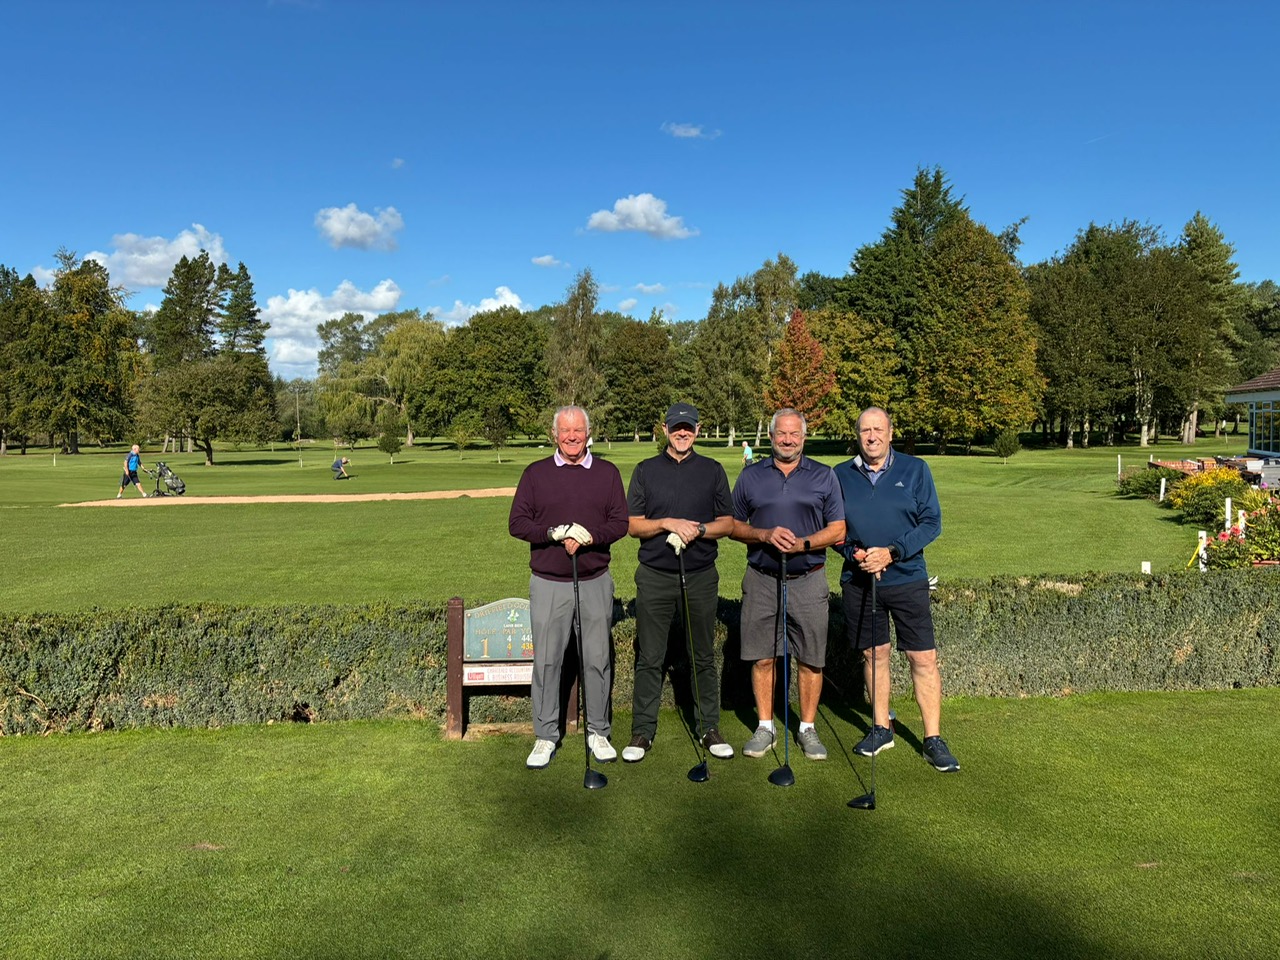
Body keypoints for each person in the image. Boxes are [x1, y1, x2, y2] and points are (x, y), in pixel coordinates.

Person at [834, 407, 959, 773]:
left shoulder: (915, 469)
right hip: (860, 580)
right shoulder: (840, 474)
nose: (871, 436)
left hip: (907, 578)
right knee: (874, 655)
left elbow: (931, 522)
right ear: (857, 435)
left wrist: (892, 552)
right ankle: (881, 728)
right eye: (865, 430)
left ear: (890, 433)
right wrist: (855, 554)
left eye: (878, 429)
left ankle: (933, 738)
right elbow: (833, 529)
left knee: (923, 658)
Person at [508, 405, 629, 769]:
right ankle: (545, 735)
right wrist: (552, 533)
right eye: (565, 431)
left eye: (578, 431)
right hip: (549, 582)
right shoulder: (536, 474)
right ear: (555, 434)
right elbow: (517, 523)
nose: (572, 437)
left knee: (597, 658)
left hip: (594, 580)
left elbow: (619, 522)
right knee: (547, 661)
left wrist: (592, 536)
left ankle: (598, 732)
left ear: (588, 433)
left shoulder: (607, 473)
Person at [622, 402, 736, 763]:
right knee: (650, 656)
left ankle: (708, 727)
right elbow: (632, 525)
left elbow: (728, 523)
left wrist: (698, 529)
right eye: (676, 428)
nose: (682, 433)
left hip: (700, 574)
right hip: (655, 575)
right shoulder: (645, 470)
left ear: (698, 430)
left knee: (702, 653)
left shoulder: (712, 470)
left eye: (688, 428)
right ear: (665, 430)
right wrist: (667, 523)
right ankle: (642, 731)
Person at [730, 409, 846, 761]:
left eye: (794, 434)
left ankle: (807, 728)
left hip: (808, 579)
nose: (788, 440)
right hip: (762, 579)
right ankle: (765, 726)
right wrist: (763, 535)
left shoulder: (824, 475)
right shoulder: (751, 476)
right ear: (771, 436)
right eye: (781, 433)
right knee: (763, 657)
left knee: (810, 658)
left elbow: (838, 529)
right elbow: (732, 525)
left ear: (804, 437)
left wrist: (803, 544)